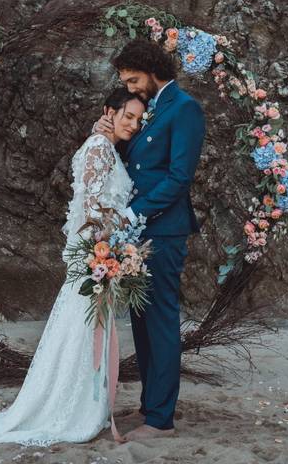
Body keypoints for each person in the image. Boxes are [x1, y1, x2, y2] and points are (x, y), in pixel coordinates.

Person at [0, 88, 146, 446]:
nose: (134, 124)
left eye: (139, 120)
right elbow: (93, 209)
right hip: (95, 257)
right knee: (81, 331)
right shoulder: (98, 148)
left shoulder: (106, 146)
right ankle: (69, 409)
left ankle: (83, 405)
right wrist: (109, 251)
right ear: (108, 112)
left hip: (99, 255)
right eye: (128, 116)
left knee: (82, 333)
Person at [93, 39, 206, 441]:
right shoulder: (152, 110)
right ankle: (150, 407)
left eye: (134, 79)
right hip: (137, 233)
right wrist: (111, 139)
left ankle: (161, 420)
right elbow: (137, 166)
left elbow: (179, 178)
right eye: (125, 81)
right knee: (142, 323)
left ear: (152, 68)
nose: (132, 87)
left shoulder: (185, 109)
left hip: (163, 231)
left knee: (159, 323)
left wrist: (134, 214)